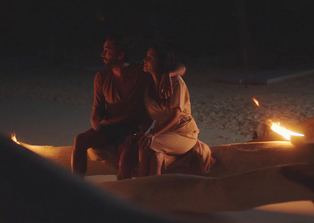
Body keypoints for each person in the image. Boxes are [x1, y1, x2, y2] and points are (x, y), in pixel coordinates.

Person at [71, 33, 186, 179]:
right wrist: (96, 122)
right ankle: (75, 184)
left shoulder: (141, 73)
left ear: (120, 55)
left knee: (124, 164)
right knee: (80, 140)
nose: (102, 54)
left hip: (132, 129)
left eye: (107, 51)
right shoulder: (101, 77)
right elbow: (97, 107)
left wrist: (168, 74)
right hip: (109, 128)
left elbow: (181, 67)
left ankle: (125, 193)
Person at [137, 42, 214, 177]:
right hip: (165, 133)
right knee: (154, 154)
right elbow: (151, 115)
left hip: (183, 133)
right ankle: (151, 188)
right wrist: (141, 132)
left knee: (147, 145)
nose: (145, 60)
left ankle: (142, 184)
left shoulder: (175, 82)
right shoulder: (148, 85)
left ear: (160, 62)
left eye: (150, 57)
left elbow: (175, 117)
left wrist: (152, 134)